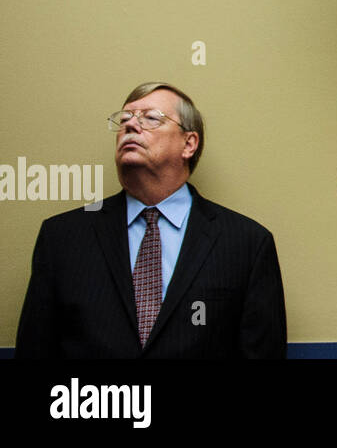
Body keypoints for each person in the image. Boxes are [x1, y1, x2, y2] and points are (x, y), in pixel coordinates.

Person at [15, 82, 287, 358]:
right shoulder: (62, 237)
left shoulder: (247, 243)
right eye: (123, 120)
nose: (131, 126)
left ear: (189, 143)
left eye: (151, 118)